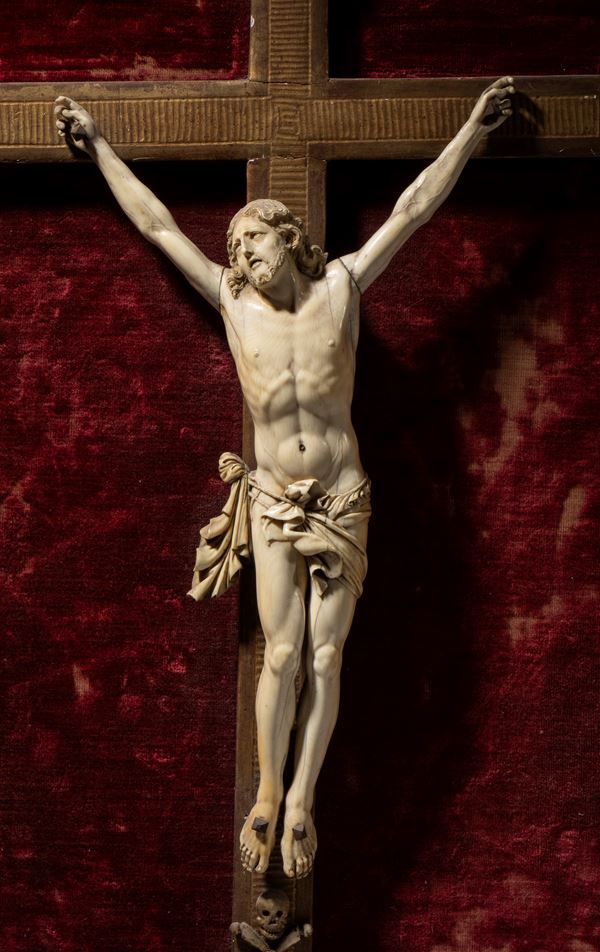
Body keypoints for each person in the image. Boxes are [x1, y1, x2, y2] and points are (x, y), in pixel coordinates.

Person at [55, 77, 515, 879]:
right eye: (234, 250)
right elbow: (158, 225)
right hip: (271, 498)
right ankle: (269, 792)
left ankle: (303, 799)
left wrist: (474, 131)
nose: (240, 257)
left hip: (341, 496)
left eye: (251, 242)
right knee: (282, 654)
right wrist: (98, 147)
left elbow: (412, 210)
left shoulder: (341, 287)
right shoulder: (233, 305)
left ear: (286, 237)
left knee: (327, 659)